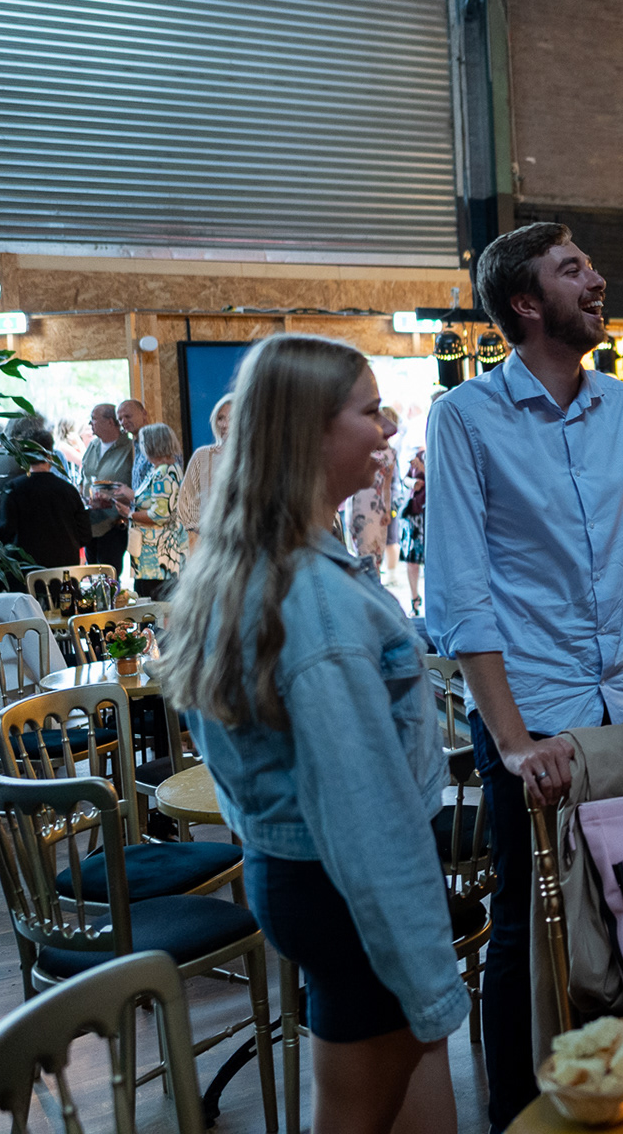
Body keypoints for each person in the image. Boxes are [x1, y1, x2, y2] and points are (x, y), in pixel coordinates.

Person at [427, 221, 623, 1132]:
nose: (597, 280)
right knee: (530, 926)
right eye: (573, 270)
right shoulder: (465, 416)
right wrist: (512, 742)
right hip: (532, 717)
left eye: (592, 265)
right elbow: (460, 597)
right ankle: (521, 1115)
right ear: (526, 303)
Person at [163, 334, 462, 1134]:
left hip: (298, 874)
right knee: (360, 1110)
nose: (388, 427)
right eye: (370, 411)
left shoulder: (254, 562)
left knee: (381, 1091)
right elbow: (367, 815)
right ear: (310, 434)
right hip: (343, 886)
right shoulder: (313, 601)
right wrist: (432, 978)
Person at [0, 421, 91, 571]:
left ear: (23, 456)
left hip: (26, 570)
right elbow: (84, 534)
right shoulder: (68, 490)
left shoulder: (14, 489)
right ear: (50, 456)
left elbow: (3, 533)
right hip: (64, 570)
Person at [120, 422, 186, 602]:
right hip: (151, 558)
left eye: (142, 442)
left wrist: (129, 513)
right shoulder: (158, 469)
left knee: (154, 608)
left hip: (158, 560)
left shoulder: (163, 473)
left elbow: (160, 515)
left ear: (151, 444)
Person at [176, 392, 234, 553]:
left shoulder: (256, 458)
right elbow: (185, 503)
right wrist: (207, 531)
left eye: (231, 418)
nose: (224, 424)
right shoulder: (202, 456)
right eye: (220, 418)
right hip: (209, 548)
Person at [80, 402, 133, 573]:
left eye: (94, 419)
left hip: (115, 524)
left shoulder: (129, 448)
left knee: (109, 576)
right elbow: (84, 477)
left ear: (110, 422)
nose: (90, 424)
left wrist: (113, 497)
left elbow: (138, 487)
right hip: (90, 523)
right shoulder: (93, 446)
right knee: (92, 574)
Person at [346, 407, 400, 568]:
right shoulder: (362, 447)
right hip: (360, 503)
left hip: (374, 508)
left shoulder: (390, 453)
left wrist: (387, 510)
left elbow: (387, 486)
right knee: (364, 553)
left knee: (373, 555)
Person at [395, 447, 425, 615]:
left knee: (431, 561)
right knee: (412, 560)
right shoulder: (419, 454)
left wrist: (423, 470)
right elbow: (405, 478)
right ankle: (414, 599)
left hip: (431, 514)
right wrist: (412, 483)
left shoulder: (440, 455)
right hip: (413, 513)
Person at [118, 397, 152, 492]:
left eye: (128, 416)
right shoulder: (136, 444)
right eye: (120, 419)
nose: (123, 422)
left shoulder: (157, 441)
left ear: (144, 414)